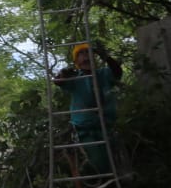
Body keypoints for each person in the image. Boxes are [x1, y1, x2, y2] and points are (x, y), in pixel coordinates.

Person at [52, 42, 123, 177]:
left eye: (87, 53)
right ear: (76, 61)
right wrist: (63, 74)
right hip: (86, 129)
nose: (85, 57)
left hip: (107, 127)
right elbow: (58, 82)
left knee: (115, 162)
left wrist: (106, 57)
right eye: (81, 54)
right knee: (99, 162)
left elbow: (117, 72)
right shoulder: (75, 78)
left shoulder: (103, 74)